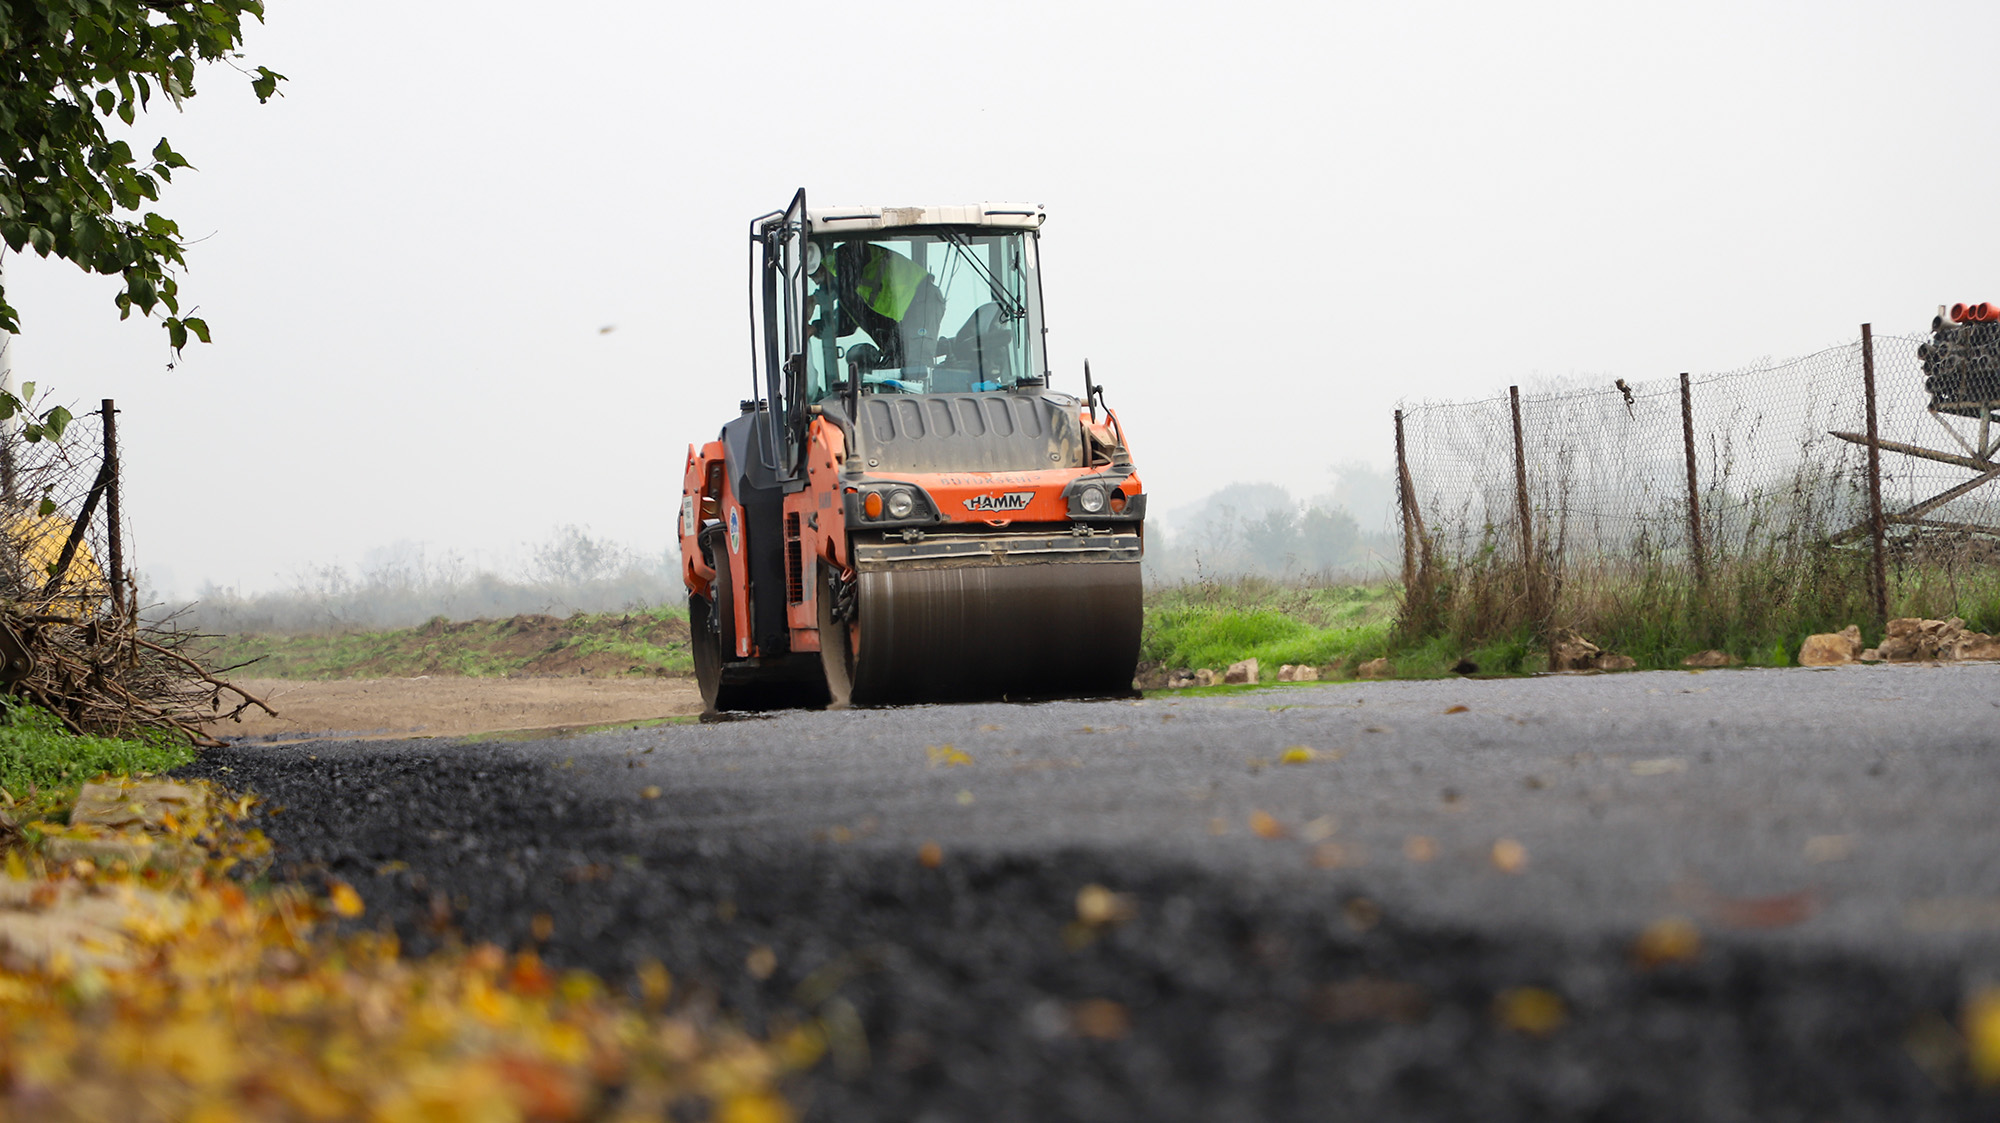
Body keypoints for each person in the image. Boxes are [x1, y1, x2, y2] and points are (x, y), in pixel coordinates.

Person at [809, 240, 946, 374]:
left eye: (813, 276)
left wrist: (816, 298)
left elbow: (844, 281)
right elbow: (846, 323)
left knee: (917, 368)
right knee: (894, 369)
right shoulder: (849, 292)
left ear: (815, 263)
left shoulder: (847, 254)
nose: (815, 282)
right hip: (905, 313)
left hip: (921, 299)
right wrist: (815, 329)